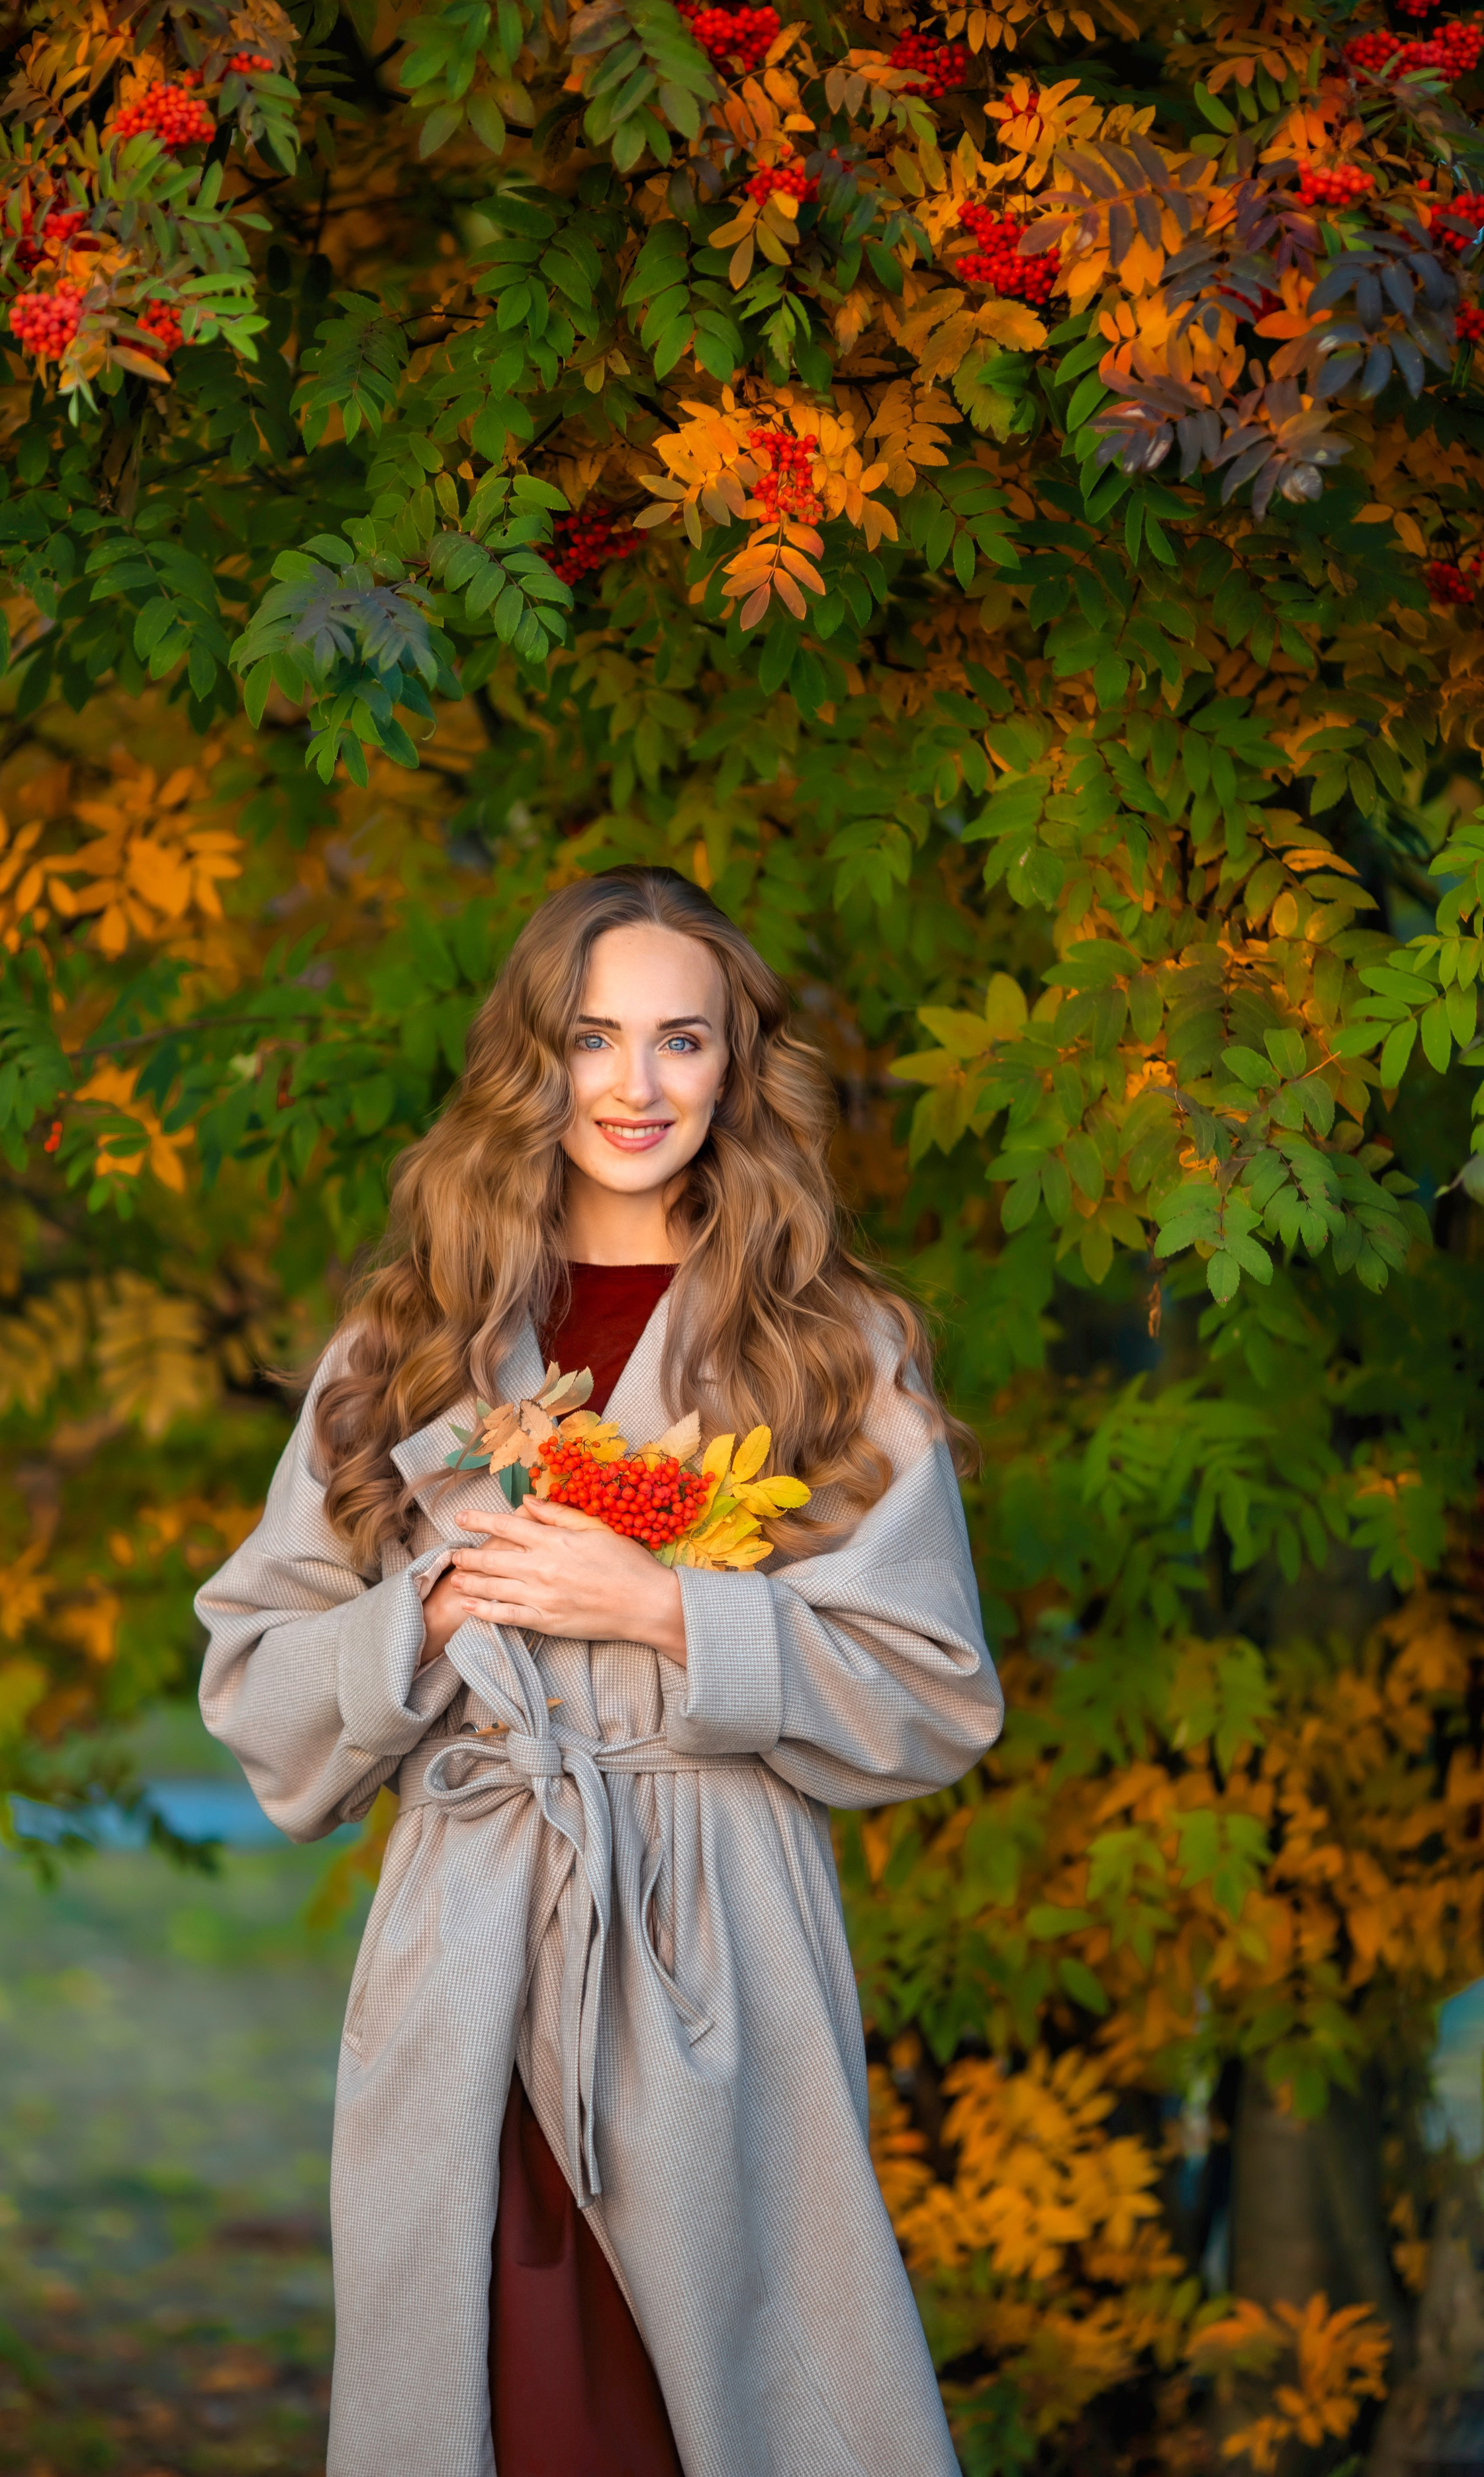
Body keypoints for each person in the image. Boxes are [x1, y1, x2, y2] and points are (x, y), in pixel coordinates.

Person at [195, 865, 1003, 2477]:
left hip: (714, 1926)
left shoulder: (828, 1347)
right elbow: (259, 1680)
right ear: (530, 1057)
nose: (635, 1086)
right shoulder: (405, 1344)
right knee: (492, 2389)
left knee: (720, 2390)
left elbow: (930, 1692)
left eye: (681, 1040)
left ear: (735, 1063)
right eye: (592, 1036)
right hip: (473, 1928)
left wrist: (668, 1613)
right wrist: (427, 1606)